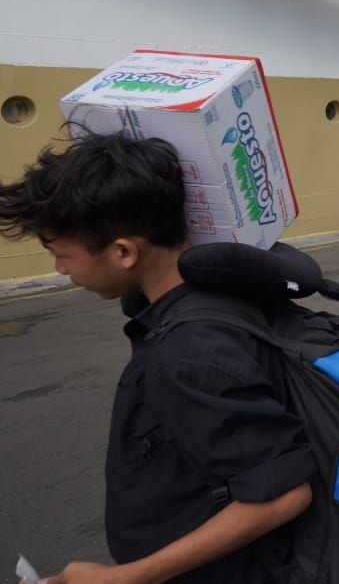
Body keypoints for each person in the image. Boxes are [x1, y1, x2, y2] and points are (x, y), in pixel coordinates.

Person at [0, 133, 315, 582]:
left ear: (124, 252)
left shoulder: (190, 352)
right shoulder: (215, 294)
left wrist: (130, 576)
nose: (60, 270)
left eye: (61, 254)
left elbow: (282, 494)